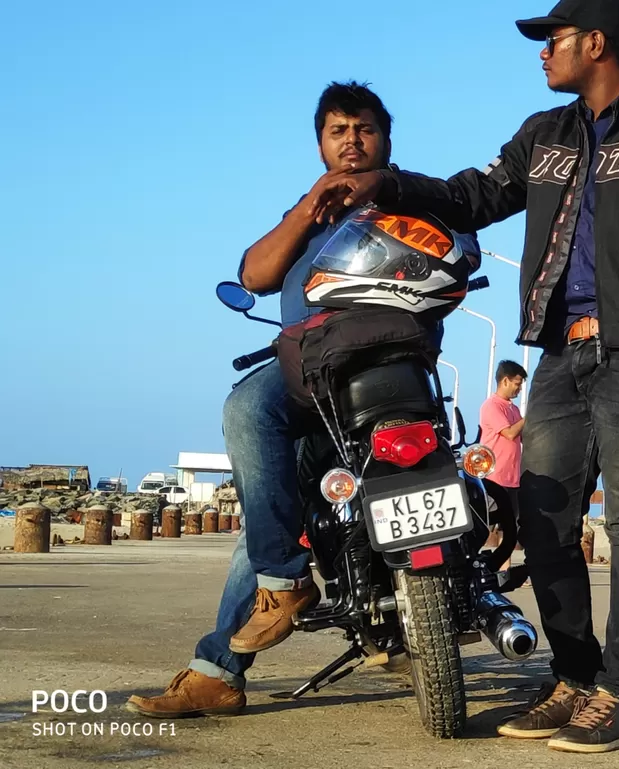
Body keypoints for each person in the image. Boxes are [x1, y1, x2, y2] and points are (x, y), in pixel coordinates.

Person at [311, 0, 619, 753]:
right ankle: (573, 675)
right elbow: (474, 196)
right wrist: (382, 184)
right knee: (542, 519)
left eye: (553, 38)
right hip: (559, 355)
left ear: (595, 42)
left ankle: (618, 692)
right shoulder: (544, 136)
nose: (542, 52)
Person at [125, 82, 474, 717]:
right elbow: (255, 276)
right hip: (307, 371)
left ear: (386, 139)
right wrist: (309, 206)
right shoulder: (309, 213)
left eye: (363, 128)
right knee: (271, 519)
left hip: (377, 365)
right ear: (319, 144)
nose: (352, 141)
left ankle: (274, 597)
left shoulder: (411, 200)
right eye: (338, 131)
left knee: (248, 413)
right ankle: (228, 654)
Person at [479, 360, 528, 559]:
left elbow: (523, 436)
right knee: (486, 524)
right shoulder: (491, 406)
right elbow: (509, 433)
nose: (519, 388)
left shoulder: (513, 409)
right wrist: (528, 418)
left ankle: (503, 569)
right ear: (505, 381)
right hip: (494, 476)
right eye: (517, 384)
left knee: (509, 528)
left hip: (512, 477)